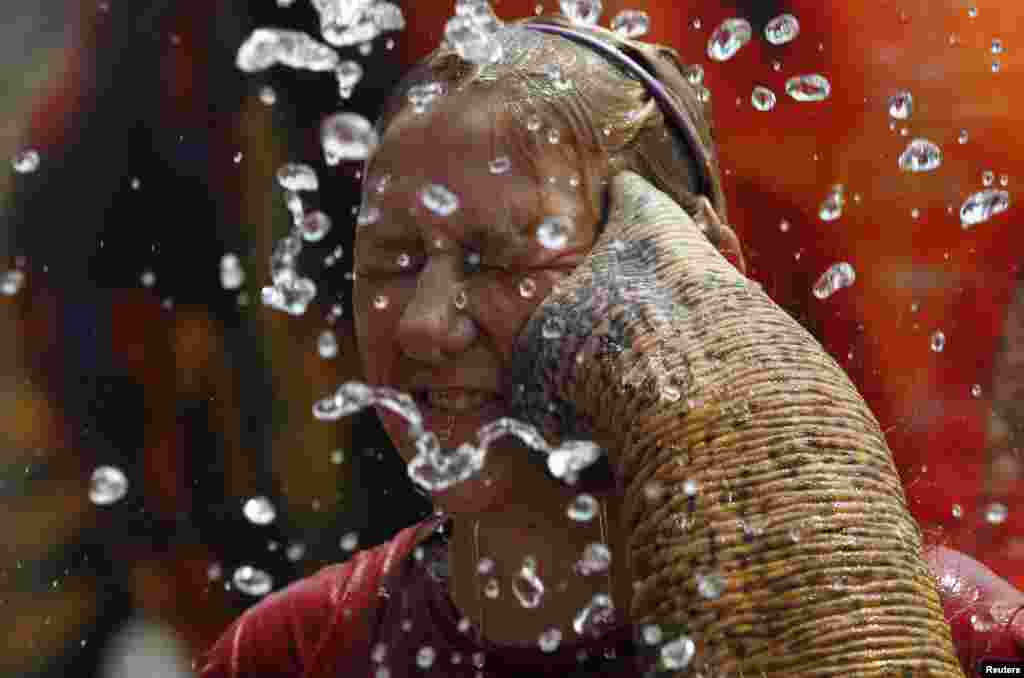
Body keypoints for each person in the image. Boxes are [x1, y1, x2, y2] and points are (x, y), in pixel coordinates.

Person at [198, 14, 1024, 677]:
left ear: (709, 267)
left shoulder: (967, 637)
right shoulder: (293, 654)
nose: (421, 321)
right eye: (393, 259)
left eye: (500, 255)